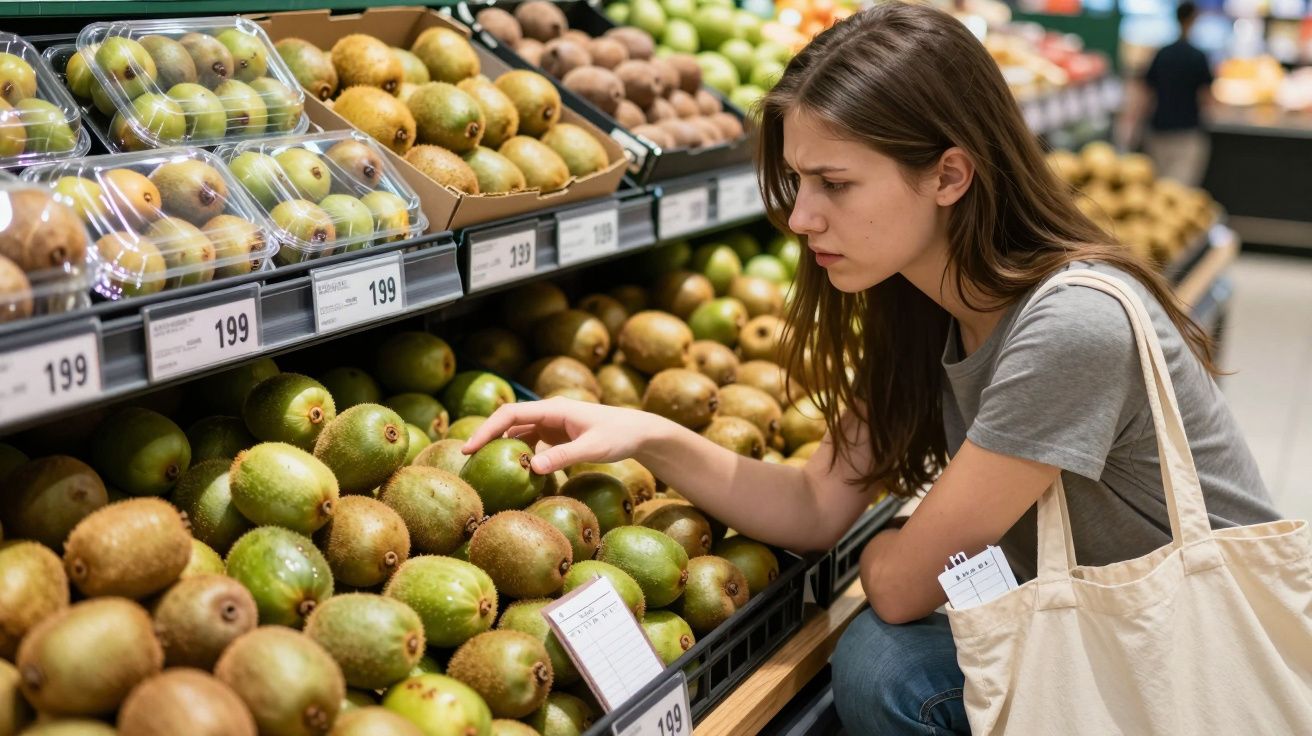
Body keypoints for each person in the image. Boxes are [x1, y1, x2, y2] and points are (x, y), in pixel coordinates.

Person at [462, 4, 1279, 733]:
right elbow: (819, 502)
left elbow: (897, 589)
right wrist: (646, 434)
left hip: (1176, 666)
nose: (800, 216)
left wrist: (900, 535)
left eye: (834, 183)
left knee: (885, 661)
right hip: (1084, 635)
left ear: (950, 175)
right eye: (795, 180)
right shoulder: (927, 308)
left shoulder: (1071, 325)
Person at [1122, 2, 1216, 185]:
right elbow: (1206, 97)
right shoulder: (1198, 56)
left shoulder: (1162, 54)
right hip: (1187, 130)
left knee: (1158, 184)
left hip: (1159, 128)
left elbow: (1146, 93)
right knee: (1181, 188)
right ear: (1193, 19)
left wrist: (1133, 123)